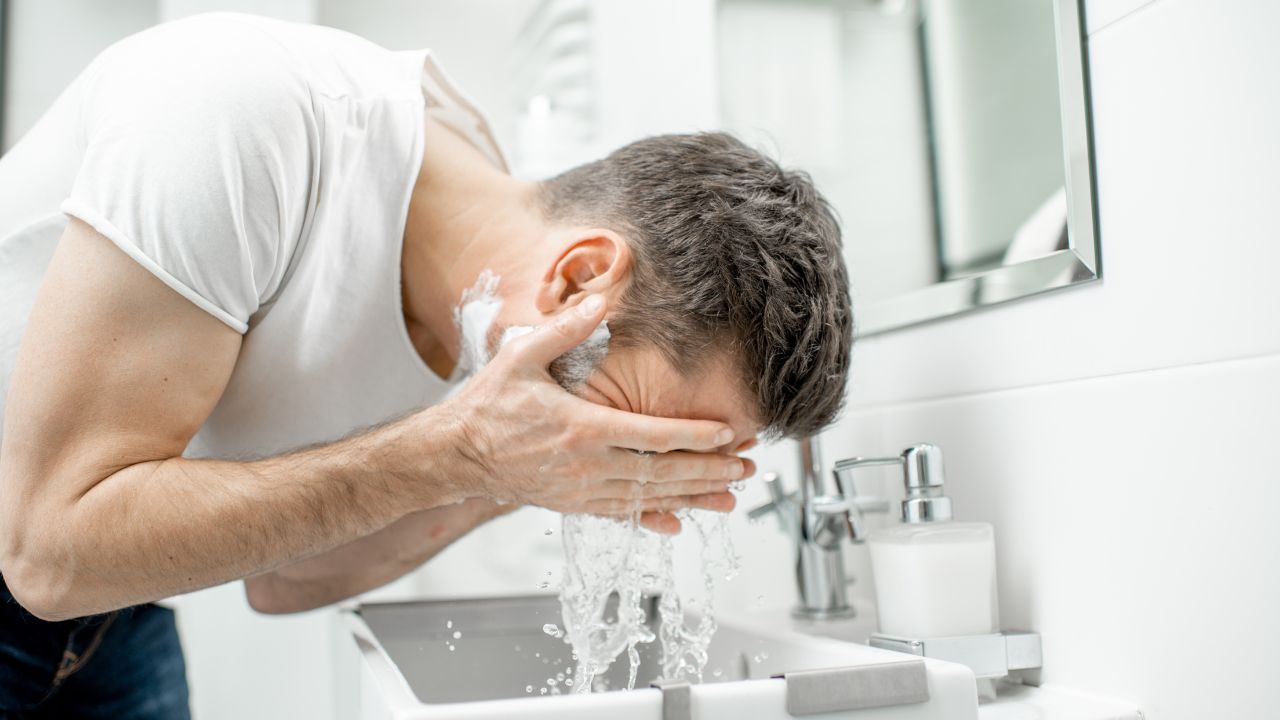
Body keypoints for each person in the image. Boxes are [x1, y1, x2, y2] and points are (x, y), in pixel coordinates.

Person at [0, 12, 852, 720]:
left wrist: (515, 474)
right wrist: (460, 453)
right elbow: (48, 549)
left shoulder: (490, 311)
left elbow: (284, 578)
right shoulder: (242, 120)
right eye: (645, 430)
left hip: (108, 617)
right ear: (579, 280)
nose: (629, 456)